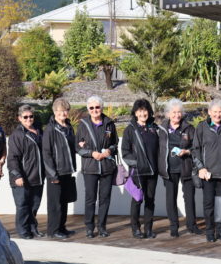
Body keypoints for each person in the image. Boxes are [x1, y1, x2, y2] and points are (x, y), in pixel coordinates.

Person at [157, 98, 202, 237]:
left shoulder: (189, 128)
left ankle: (191, 225)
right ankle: (174, 227)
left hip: (186, 167)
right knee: (171, 198)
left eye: (179, 112)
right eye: (174, 112)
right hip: (169, 169)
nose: (177, 115)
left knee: (189, 197)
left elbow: (196, 148)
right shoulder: (161, 129)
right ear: (168, 114)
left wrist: (187, 151)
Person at [76, 96, 118, 239]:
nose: (95, 110)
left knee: (105, 198)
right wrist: (91, 153)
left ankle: (102, 227)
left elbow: (115, 144)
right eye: (92, 108)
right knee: (90, 199)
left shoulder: (109, 123)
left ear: (102, 107)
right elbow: (78, 147)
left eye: (97, 107)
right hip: (90, 167)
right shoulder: (83, 124)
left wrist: (109, 151)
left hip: (106, 167)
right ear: (88, 109)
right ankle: (89, 227)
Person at [193, 98, 221, 243]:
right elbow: (195, 150)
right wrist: (201, 168)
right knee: (209, 205)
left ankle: (220, 231)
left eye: (220, 111)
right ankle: (210, 232)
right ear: (209, 112)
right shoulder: (202, 127)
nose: (217, 114)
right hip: (207, 174)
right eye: (214, 112)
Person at [121, 99, 159, 239]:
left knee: (150, 200)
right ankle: (135, 228)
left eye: (145, 110)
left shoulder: (154, 128)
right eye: (140, 110)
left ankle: (149, 229)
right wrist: (137, 163)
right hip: (138, 171)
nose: (143, 113)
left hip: (152, 171)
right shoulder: (130, 130)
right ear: (135, 113)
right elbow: (125, 151)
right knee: (137, 200)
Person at [7, 104, 45, 239]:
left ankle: (33, 228)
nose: (29, 119)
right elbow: (12, 158)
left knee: (34, 205)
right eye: (25, 117)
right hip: (22, 177)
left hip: (38, 176)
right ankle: (23, 231)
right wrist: (17, 175)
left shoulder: (39, 132)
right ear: (19, 118)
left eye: (31, 116)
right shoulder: (17, 135)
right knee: (23, 206)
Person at [42, 98, 77, 239]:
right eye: (60, 110)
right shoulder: (50, 129)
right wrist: (52, 174)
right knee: (55, 204)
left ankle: (62, 227)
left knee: (64, 202)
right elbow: (47, 153)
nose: (63, 113)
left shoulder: (69, 128)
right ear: (55, 112)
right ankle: (53, 230)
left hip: (67, 171)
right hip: (55, 172)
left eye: (66, 110)